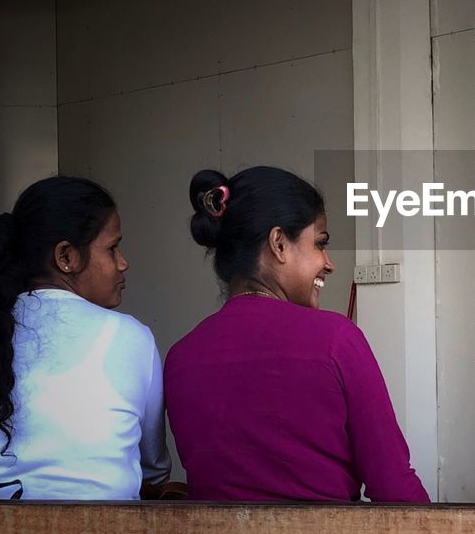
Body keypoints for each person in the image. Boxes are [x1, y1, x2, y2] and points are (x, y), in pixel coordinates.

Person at [164, 166, 429, 503]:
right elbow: (395, 489)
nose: (328, 263)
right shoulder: (337, 340)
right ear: (279, 244)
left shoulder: (181, 358)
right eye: (320, 243)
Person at [0, 176, 171, 500]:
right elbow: (154, 469)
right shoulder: (130, 337)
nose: (123, 263)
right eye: (112, 248)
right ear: (66, 256)